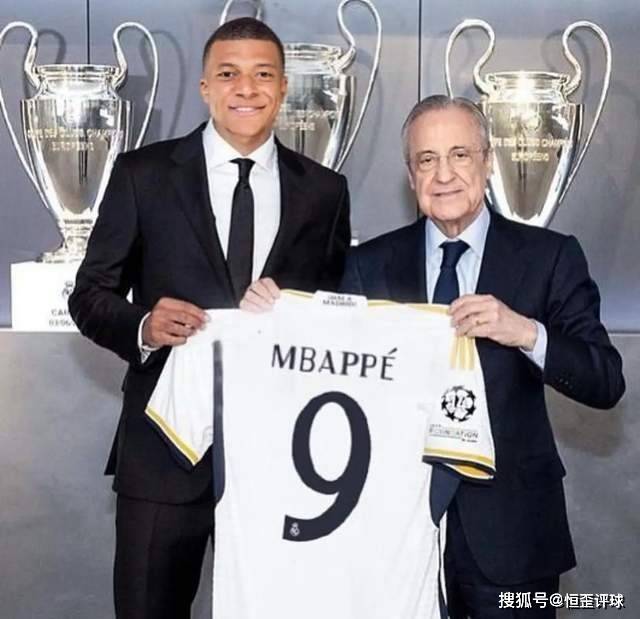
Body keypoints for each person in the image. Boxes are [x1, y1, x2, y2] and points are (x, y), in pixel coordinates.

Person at [68, 17, 350, 619]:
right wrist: (143, 325)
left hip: (281, 456)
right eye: (228, 74)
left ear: (283, 87)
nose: (246, 88)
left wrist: (298, 316)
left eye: (262, 74)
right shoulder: (143, 175)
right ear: (204, 87)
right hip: (164, 451)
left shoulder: (325, 192)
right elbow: (89, 295)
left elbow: (335, 312)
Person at [337, 95, 625, 617]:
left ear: (488, 161)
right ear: (411, 174)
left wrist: (525, 332)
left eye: (460, 155)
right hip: (394, 532)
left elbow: (604, 380)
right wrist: (270, 315)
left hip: (513, 536)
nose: (444, 174)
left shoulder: (549, 256)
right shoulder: (367, 265)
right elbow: (331, 375)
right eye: (427, 159)